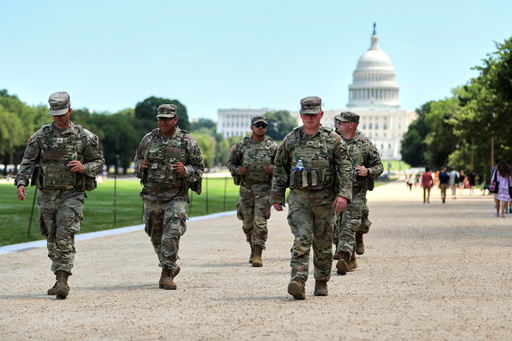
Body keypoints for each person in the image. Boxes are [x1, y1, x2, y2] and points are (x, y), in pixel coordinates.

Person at [15, 91, 105, 299]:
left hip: (72, 195)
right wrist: (21, 183)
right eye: (54, 114)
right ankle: (58, 274)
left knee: (65, 235)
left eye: (61, 114)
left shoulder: (84, 136)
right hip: (46, 195)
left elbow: (99, 162)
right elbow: (27, 162)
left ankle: (62, 280)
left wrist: (83, 166)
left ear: (70, 111)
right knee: (51, 237)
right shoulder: (41, 135)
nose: (57, 117)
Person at [271, 96, 352, 300]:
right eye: (306, 114)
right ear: (300, 115)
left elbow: (345, 167)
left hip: (325, 199)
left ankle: (322, 281)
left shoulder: (333, 140)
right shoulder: (290, 139)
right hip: (299, 198)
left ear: (321, 115)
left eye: (313, 114)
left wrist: (343, 194)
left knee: (324, 243)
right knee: (302, 237)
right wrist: (277, 196)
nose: (309, 118)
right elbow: (280, 168)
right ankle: (298, 279)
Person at [134, 104, 204, 290]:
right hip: (152, 196)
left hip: (176, 196)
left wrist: (186, 169)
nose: (163, 122)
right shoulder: (148, 139)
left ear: (175, 120)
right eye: (160, 118)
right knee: (155, 234)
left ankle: (166, 274)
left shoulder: (187, 141)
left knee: (171, 234)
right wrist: (141, 165)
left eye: (167, 118)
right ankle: (171, 265)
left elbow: (199, 169)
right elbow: (136, 163)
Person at [332, 111, 383, 275]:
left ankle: (343, 258)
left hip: (356, 192)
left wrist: (367, 171)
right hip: (336, 191)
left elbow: (379, 167)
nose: (337, 124)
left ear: (351, 125)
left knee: (348, 226)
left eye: (341, 122)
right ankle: (351, 258)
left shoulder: (364, 144)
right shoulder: (333, 142)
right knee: (337, 227)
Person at [227, 116, 278, 267]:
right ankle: (252, 246)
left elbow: (283, 167)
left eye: (263, 125)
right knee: (247, 223)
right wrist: (237, 170)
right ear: (252, 127)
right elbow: (230, 162)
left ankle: (258, 253)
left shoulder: (272, 147)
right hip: (246, 189)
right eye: (257, 125)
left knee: (260, 221)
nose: (260, 127)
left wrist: (274, 169)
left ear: (266, 128)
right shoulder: (241, 146)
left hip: (264, 189)